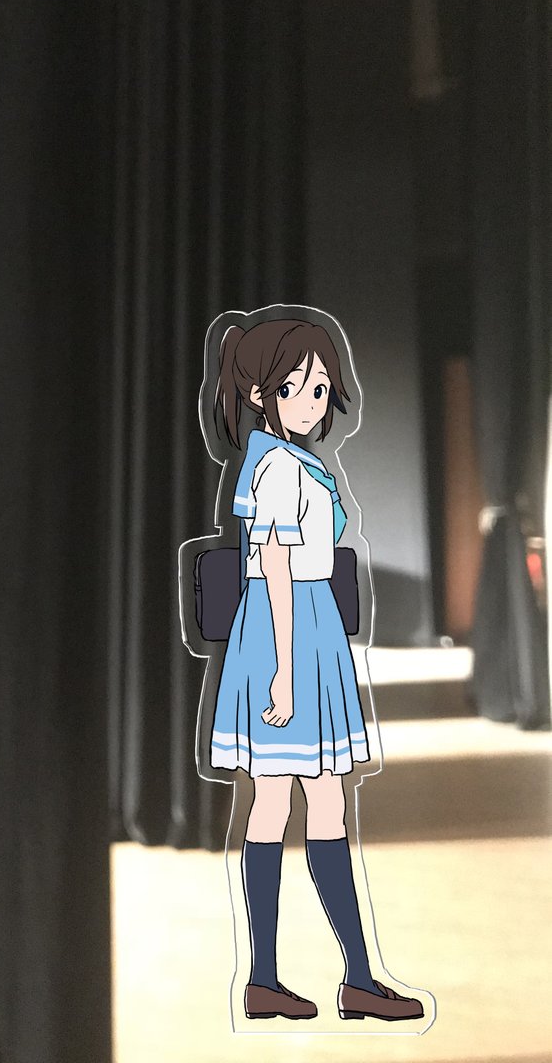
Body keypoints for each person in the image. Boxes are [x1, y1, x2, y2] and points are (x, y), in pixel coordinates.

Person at [210, 317, 424, 1023]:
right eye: (293, 387)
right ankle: (325, 978)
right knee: (301, 800)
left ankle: (298, 978)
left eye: (320, 387)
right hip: (289, 632)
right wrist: (283, 671)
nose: (309, 400)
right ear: (259, 394)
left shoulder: (290, 462)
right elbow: (273, 566)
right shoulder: (275, 467)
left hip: (306, 628)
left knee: (289, 801)